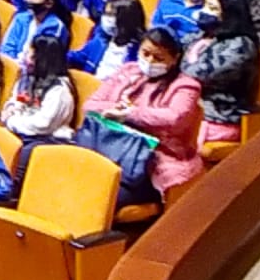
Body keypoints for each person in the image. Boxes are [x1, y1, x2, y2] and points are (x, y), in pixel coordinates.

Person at [82, 27, 204, 202]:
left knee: (98, 197)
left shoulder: (185, 86)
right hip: (108, 147)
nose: (150, 61)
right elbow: (91, 105)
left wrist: (130, 113)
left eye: (158, 58)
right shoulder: (128, 70)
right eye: (145, 53)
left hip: (151, 162)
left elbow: (174, 117)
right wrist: (117, 107)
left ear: (175, 59)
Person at [181, 0, 259, 146]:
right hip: (189, 102)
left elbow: (197, 75)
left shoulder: (240, 45)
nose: (204, 12)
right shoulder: (202, 36)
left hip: (217, 112)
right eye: (205, 6)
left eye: (213, 8)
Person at [0, 34, 77, 142]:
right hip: (20, 128)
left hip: (47, 140)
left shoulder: (59, 92)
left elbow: (42, 125)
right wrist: (11, 107)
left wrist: (11, 121)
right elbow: (19, 98)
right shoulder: (30, 78)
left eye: (32, 57)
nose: (26, 60)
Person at [68, 0, 146, 80]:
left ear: (127, 19)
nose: (105, 18)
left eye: (111, 15)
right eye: (105, 13)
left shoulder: (140, 52)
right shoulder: (100, 41)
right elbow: (77, 57)